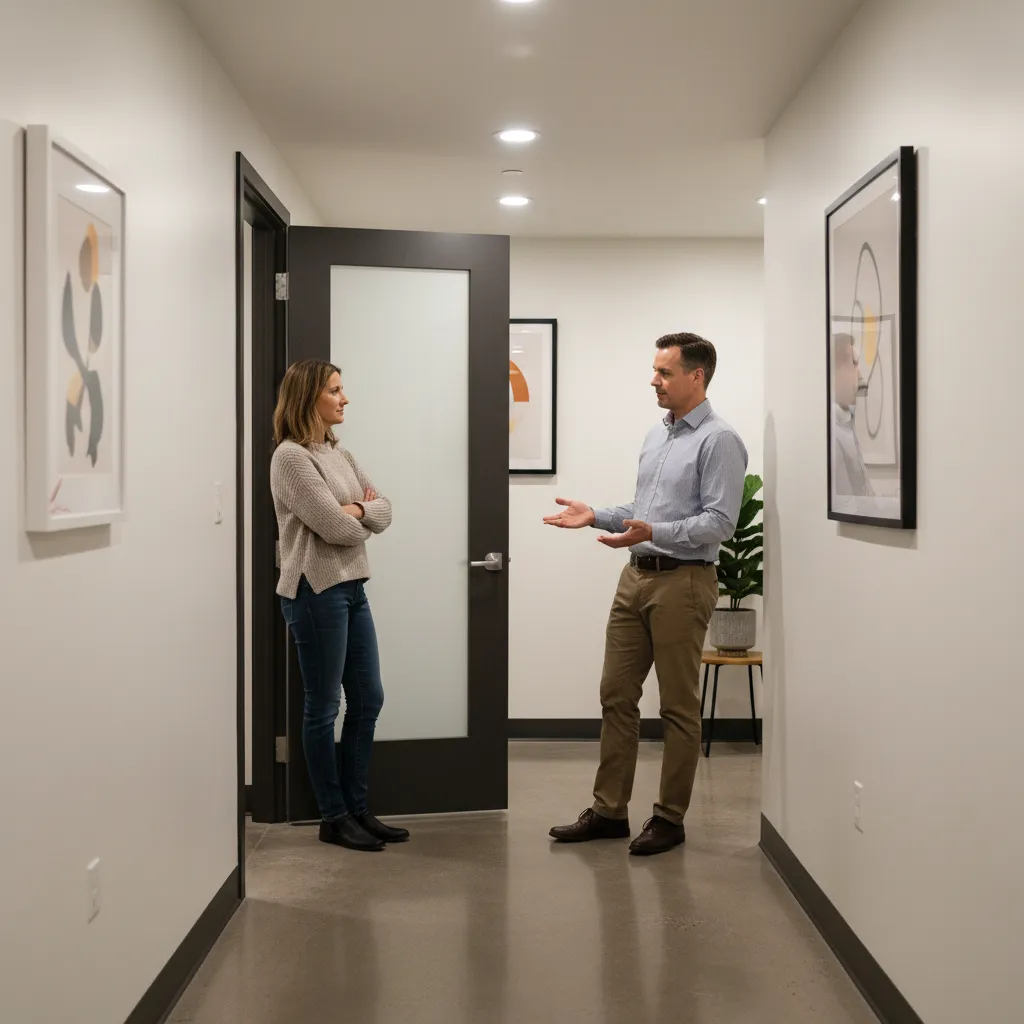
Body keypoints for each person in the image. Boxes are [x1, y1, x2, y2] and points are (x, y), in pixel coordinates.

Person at [544, 333, 747, 856]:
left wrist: (653, 532)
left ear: (696, 376)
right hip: (635, 577)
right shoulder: (658, 436)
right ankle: (609, 810)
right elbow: (643, 511)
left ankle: (669, 818)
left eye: (664, 372)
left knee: (678, 706)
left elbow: (719, 523)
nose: (653, 381)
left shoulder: (720, 440)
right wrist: (597, 515)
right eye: (655, 371)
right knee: (615, 694)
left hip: (684, 582)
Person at [270, 359, 408, 852]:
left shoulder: (339, 453)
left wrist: (358, 509)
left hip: (352, 586)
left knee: (369, 699)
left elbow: (385, 511)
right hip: (314, 590)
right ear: (309, 397)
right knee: (324, 705)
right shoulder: (290, 458)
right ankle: (333, 816)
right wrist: (356, 513)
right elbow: (335, 528)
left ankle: (358, 809)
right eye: (335, 390)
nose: (344, 398)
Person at [831, 332, 874, 498]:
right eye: (854, 363)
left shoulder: (846, 425)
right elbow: (846, 505)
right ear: (834, 371)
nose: (860, 376)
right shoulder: (833, 436)